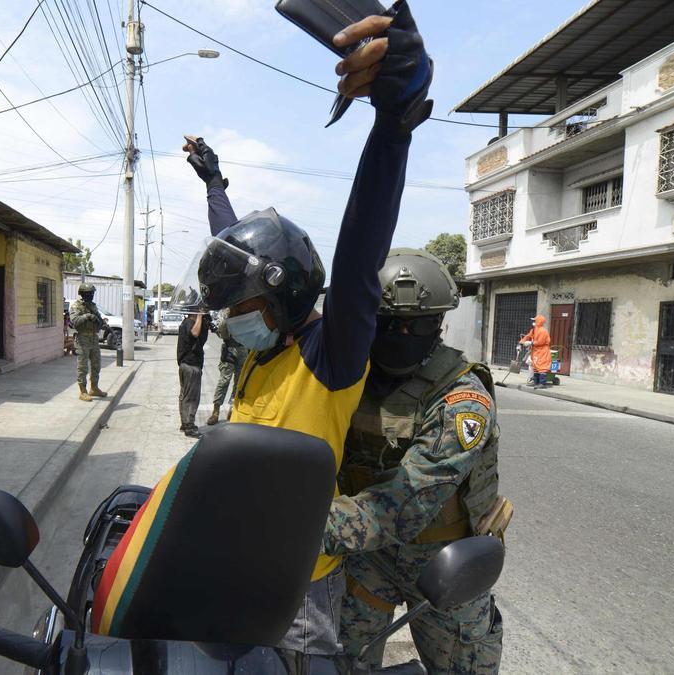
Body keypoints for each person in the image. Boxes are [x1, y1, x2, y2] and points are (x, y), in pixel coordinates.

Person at [165, 5, 435, 654]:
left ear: (285, 299)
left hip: (298, 593)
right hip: (229, 562)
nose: (231, 322)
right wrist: (214, 184)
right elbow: (235, 257)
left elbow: (361, 250)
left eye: (241, 308)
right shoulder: (267, 343)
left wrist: (394, 127)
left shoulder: (329, 355)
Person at [324, 249, 505, 672]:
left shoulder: (463, 398)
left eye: (418, 325)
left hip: (445, 560)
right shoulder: (351, 379)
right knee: (339, 664)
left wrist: (304, 529)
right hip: (367, 558)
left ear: (439, 324)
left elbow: (405, 506)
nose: (402, 334)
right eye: (389, 325)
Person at [207, 310, 248, 426]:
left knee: (239, 381)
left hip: (243, 349)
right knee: (224, 380)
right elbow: (221, 332)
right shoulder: (226, 311)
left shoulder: (246, 309)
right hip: (230, 347)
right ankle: (216, 411)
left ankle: (232, 409)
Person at [70, 283, 108, 402]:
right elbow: (75, 321)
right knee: (83, 367)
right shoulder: (76, 306)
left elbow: (98, 319)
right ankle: (83, 391)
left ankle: (94, 388)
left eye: (92, 293)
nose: (91, 295)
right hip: (83, 339)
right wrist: (87, 316)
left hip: (94, 338)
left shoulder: (93, 306)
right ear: (83, 294)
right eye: (89, 293)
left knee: (96, 365)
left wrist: (102, 323)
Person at [177, 311, 210, 437]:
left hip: (186, 365)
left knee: (184, 395)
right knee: (191, 397)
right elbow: (195, 333)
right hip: (191, 366)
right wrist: (200, 315)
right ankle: (189, 427)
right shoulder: (191, 323)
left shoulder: (185, 322)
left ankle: (185, 423)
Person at [519, 315, 551, 387]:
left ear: (539, 321)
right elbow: (528, 336)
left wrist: (531, 343)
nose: (534, 322)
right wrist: (522, 342)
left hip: (542, 351)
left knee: (542, 366)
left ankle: (542, 383)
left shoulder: (543, 331)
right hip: (536, 351)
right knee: (535, 366)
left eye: (535, 320)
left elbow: (540, 342)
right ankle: (536, 382)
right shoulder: (534, 330)